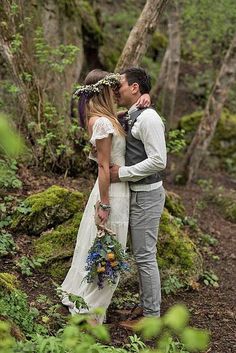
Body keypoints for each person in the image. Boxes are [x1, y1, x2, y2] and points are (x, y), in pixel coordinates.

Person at [61, 69, 149, 324]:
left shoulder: (106, 119)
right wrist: (105, 204)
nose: (117, 92)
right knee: (108, 251)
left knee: (102, 249)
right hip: (111, 193)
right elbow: (102, 166)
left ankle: (87, 306)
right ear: (103, 91)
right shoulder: (100, 122)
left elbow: (123, 119)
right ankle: (89, 314)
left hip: (116, 188)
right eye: (112, 88)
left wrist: (144, 99)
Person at [110, 67, 167, 325]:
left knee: (145, 256)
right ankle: (145, 308)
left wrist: (122, 173)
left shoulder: (149, 119)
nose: (116, 90)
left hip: (147, 196)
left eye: (119, 85)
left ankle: (152, 317)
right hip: (136, 194)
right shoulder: (133, 115)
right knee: (140, 254)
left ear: (134, 88)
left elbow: (159, 161)